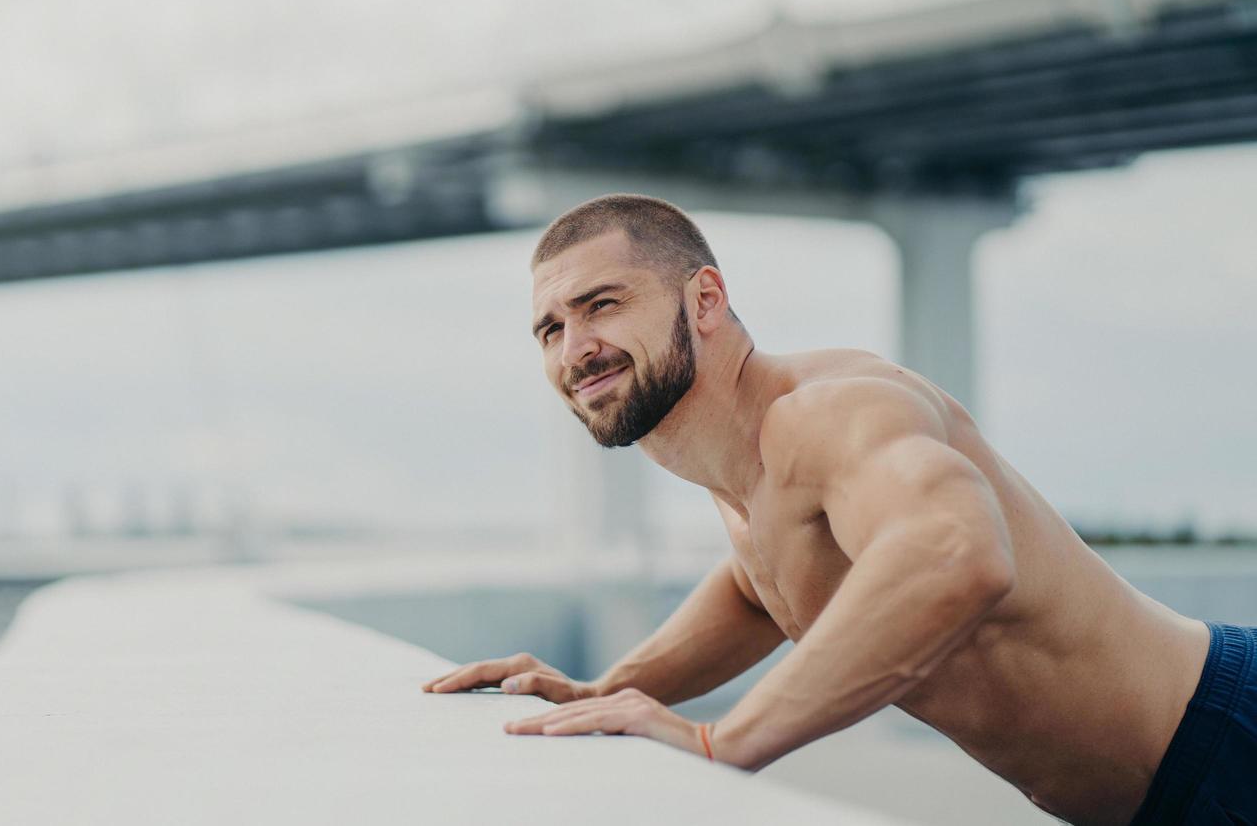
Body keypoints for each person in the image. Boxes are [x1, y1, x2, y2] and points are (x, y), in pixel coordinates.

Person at [420, 194, 1255, 825]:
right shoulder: (740, 471)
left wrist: (728, 740)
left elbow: (956, 550)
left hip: (1225, 736)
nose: (576, 349)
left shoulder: (822, 413)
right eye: (548, 328)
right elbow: (761, 585)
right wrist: (604, 689)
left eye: (602, 305)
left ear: (704, 300)